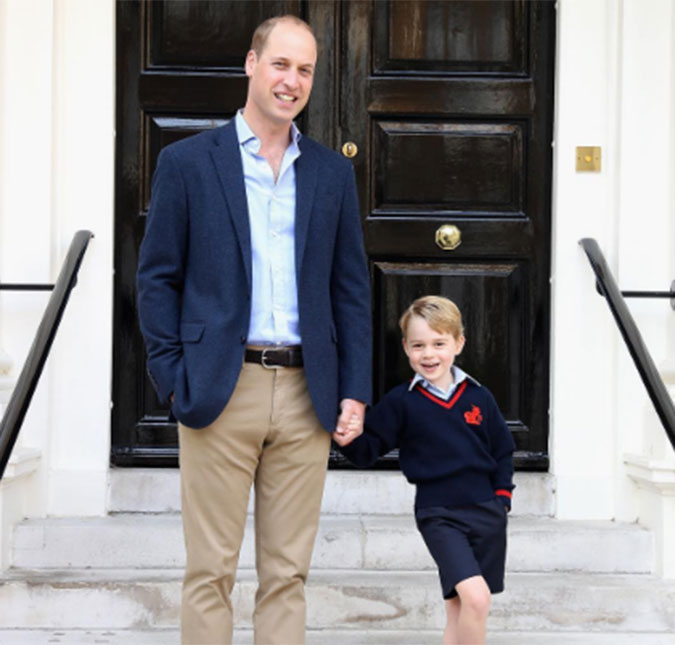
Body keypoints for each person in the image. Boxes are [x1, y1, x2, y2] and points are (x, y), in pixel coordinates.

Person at [136, 15, 371, 645]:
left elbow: (349, 290)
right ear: (251, 63)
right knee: (209, 571)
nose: (291, 81)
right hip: (220, 387)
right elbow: (157, 278)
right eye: (281, 64)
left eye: (305, 70)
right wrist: (172, 378)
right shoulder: (188, 163)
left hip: (306, 394)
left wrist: (354, 389)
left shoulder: (329, 173)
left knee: (287, 575)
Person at [334, 295, 514, 645]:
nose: (428, 354)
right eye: (418, 345)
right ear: (405, 348)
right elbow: (368, 450)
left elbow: (503, 451)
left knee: (460, 609)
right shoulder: (402, 402)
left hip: (487, 513)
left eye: (438, 343)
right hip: (439, 514)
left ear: (459, 343)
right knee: (477, 598)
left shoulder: (480, 397)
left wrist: (502, 500)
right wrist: (346, 438)